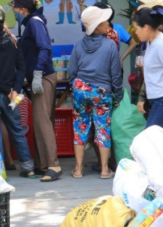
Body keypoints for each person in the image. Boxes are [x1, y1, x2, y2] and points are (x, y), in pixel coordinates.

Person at [0, 3, 37, 179]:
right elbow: (22, 66)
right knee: (17, 130)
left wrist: (8, 89)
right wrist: (14, 89)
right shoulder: (12, 39)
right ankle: (29, 168)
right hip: (10, 94)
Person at [68, 6, 122, 179]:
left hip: (80, 89)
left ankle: (78, 169)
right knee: (103, 129)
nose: (108, 23)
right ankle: (105, 170)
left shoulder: (77, 45)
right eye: (105, 20)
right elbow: (116, 74)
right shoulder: (110, 46)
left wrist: (75, 88)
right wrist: (118, 95)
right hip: (102, 91)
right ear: (98, 26)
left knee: (80, 128)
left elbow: (72, 72)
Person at [12, 0, 61, 181]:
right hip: (38, 77)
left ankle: (53, 165)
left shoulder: (34, 22)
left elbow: (44, 48)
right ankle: (42, 165)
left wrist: (38, 72)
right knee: (40, 120)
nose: (14, 11)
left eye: (15, 8)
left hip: (43, 77)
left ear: (23, 9)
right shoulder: (33, 22)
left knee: (42, 122)